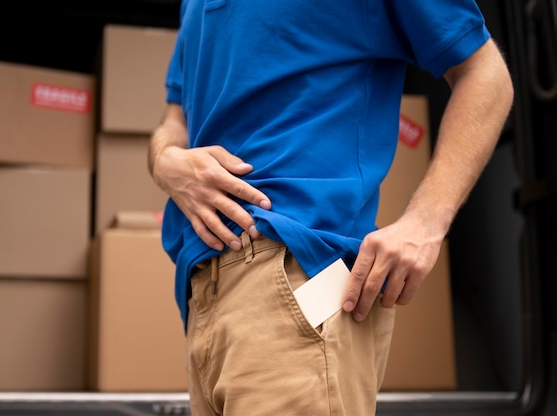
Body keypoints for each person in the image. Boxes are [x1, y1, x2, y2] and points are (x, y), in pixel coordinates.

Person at [148, 1, 514, 415]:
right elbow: (174, 119)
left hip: (295, 270)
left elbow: (486, 75)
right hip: (203, 287)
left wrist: (425, 223)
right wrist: (164, 160)